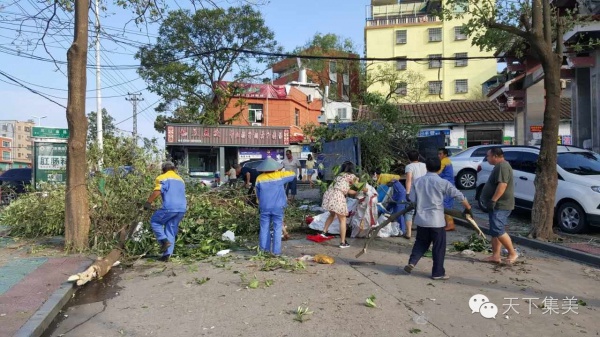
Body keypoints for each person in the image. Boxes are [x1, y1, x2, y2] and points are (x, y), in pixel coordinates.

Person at [403, 157, 472, 280]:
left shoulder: (418, 182)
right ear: (439, 168)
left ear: (426, 168)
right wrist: (468, 209)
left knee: (420, 243)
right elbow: (459, 196)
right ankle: (438, 273)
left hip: (421, 220)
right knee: (438, 247)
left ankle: (412, 262)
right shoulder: (443, 182)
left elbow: (412, 199)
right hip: (437, 221)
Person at [480, 147, 518, 264]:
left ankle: (512, 252)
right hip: (497, 204)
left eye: (488, 156)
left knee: (497, 229)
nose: (487, 158)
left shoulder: (502, 166)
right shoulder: (499, 166)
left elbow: (502, 185)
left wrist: (493, 200)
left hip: (501, 204)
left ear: (495, 156)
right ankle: (496, 255)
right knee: (494, 231)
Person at [144, 161, 187, 262]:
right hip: (182, 208)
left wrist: (148, 202)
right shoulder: (181, 180)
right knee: (171, 229)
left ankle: (164, 241)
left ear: (163, 170)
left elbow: (158, 191)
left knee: (155, 222)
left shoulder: (162, 177)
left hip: (170, 207)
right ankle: (167, 255)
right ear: (174, 169)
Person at [255, 158, 296, 256]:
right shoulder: (280, 176)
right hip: (278, 207)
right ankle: (276, 252)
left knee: (264, 228)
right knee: (277, 228)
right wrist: (282, 169)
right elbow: (293, 174)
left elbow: (257, 194)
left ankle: (264, 250)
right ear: (276, 167)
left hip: (264, 207)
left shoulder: (259, 178)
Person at [321, 161, 362, 248]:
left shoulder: (339, 176)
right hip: (338, 197)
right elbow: (353, 189)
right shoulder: (352, 176)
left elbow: (343, 187)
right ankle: (343, 242)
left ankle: (324, 232)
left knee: (332, 214)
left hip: (329, 195)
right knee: (342, 220)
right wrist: (359, 189)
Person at [404, 150, 427, 239]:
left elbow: (409, 180)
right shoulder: (424, 165)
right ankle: (423, 232)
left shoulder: (409, 167)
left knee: (409, 211)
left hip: (414, 191)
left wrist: (407, 192)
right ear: (418, 157)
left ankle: (409, 233)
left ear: (409, 158)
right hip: (424, 191)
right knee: (422, 211)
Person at [438, 148, 456, 231]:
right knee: (448, 204)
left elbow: (437, 172)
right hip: (450, 184)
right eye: (438, 154)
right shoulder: (448, 161)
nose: (439, 155)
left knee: (446, 204)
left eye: (440, 154)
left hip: (446, 185)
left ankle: (450, 224)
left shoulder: (444, 161)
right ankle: (449, 223)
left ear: (445, 155)